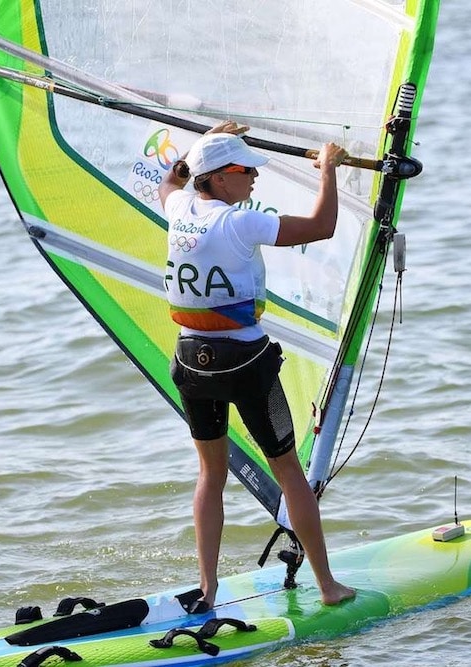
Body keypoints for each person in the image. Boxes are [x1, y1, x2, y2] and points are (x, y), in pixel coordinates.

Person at [159, 122, 356, 610]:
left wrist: (199, 146)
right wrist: (328, 169)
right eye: (247, 171)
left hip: (191, 363)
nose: (254, 179)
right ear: (222, 178)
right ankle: (328, 587)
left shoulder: (180, 207)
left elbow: (171, 181)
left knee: (211, 473)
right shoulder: (238, 222)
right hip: (244, 364)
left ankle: (207, 590)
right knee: (289, 470)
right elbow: (321, 227)